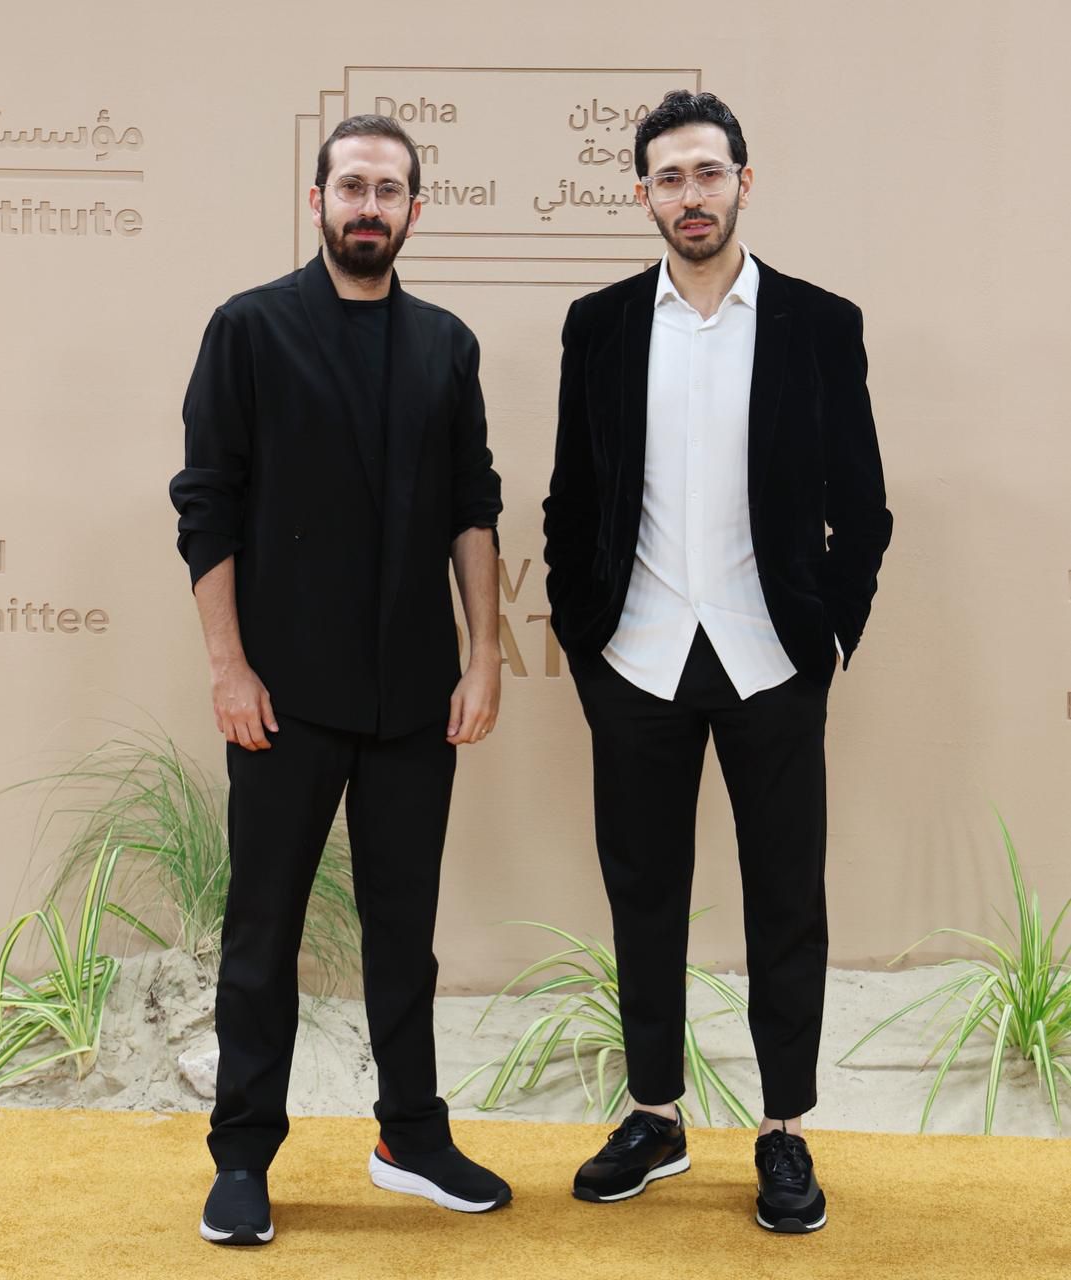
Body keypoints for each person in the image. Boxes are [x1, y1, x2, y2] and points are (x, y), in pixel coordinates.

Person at [542, 89, 892, 1233]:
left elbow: (864, 506)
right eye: (669, 177)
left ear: (745, 180)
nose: (689, 195)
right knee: (643, 892)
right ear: (643, 193)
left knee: (786, 898)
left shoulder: (817, 323)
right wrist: (586, 637)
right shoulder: (598, 325)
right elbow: (571, 500)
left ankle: (784, 1128)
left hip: (770, 658)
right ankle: (654, 1114)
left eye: (707, 172)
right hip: (636, 658)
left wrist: (827, 637)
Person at [170, 113, 510, 1246]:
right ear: (317, 200)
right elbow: (206, 504)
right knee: (262, 932)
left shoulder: (446, 345)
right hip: (282, 697)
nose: (370, 205)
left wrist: (482, 655)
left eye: (389, 189)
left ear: (415, 208)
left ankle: (411, 1137)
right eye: (352, 186)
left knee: (404, 931)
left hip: (415, 696)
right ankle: (242, 1158)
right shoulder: (249, 328)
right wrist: (229, 667)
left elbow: (472, 504)